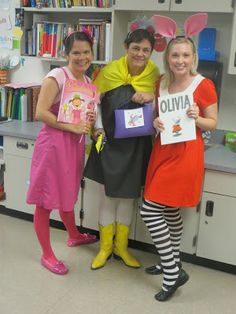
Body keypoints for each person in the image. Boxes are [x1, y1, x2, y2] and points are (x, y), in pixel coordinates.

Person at [141, 14, 218, 301]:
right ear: (168, 57)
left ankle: (172, 272)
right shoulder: (161, 82)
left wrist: (198, 118)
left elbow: (213, 123)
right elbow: (158, 117)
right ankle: (172, 262)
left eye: (186, 55)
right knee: (169, 210)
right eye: (175, 55)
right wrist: (155, 122)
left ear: (193, 57)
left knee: (150, 210)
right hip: (162, 150)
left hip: (186, 154)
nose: (180, 60)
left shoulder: (203, 85)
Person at [84, 27, 160, 270]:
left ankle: (121, 248)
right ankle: (105, 248)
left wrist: (151, 97)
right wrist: (97, 129)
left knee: (127, 198)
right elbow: (94, 103)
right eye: (135, 48)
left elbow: (162, 107)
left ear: (151, 52)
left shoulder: (155, 75)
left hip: (137, 146)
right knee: (107, 197)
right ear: (126, 48)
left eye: (145, 50)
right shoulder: (109, 72)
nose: (140, 54)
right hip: (108, 142)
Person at [26, 31, 99, 275]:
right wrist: (72, 126)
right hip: (53, 146)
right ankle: (47, 255)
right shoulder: (57, 76)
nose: (82, 57)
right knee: (46, 200)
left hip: (73, 145)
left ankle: (74, 235)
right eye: (76, 52)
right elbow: (40, 112)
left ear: (92, 53)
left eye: (86, 52)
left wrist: (90, 122)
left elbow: (83, 117)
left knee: (68, 192)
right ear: (66, 54)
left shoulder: (88, 83)